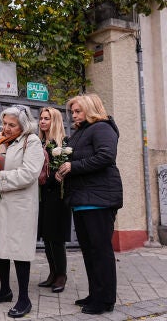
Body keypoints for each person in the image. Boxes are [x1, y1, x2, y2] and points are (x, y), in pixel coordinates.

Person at [56, 94, 123, 315]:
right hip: (82, 199)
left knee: (101, 251)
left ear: (91, 108)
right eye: (72, 112)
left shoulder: (102, 128)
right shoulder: (80, 132)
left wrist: (73, 167)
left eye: (78, 111)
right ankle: (95, 293)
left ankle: (106, 300)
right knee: (88, 251)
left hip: (99, 199)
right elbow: (75, 161)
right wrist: (63, 169)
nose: (74, 115)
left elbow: (106, 156)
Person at [0, 105, 44, 319]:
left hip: (19, 205)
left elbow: (29, 173)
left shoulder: (31, 141)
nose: (5, 128)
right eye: (4, 123)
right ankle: (5, 290)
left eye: (11, 125)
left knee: (18, 249)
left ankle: (24, 299)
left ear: (23, 126)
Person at [37, 107, 72, 293]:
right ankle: (52, 273)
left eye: (46, 119)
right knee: (46, 237)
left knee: (57, 238)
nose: (42, 122)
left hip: (58, 197)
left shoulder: (64, 144)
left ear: (55, 121)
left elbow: (63, 173)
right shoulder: (40, 142)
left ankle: (61, 276)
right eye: (41, 118)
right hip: (43, 195)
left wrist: (50, 178)